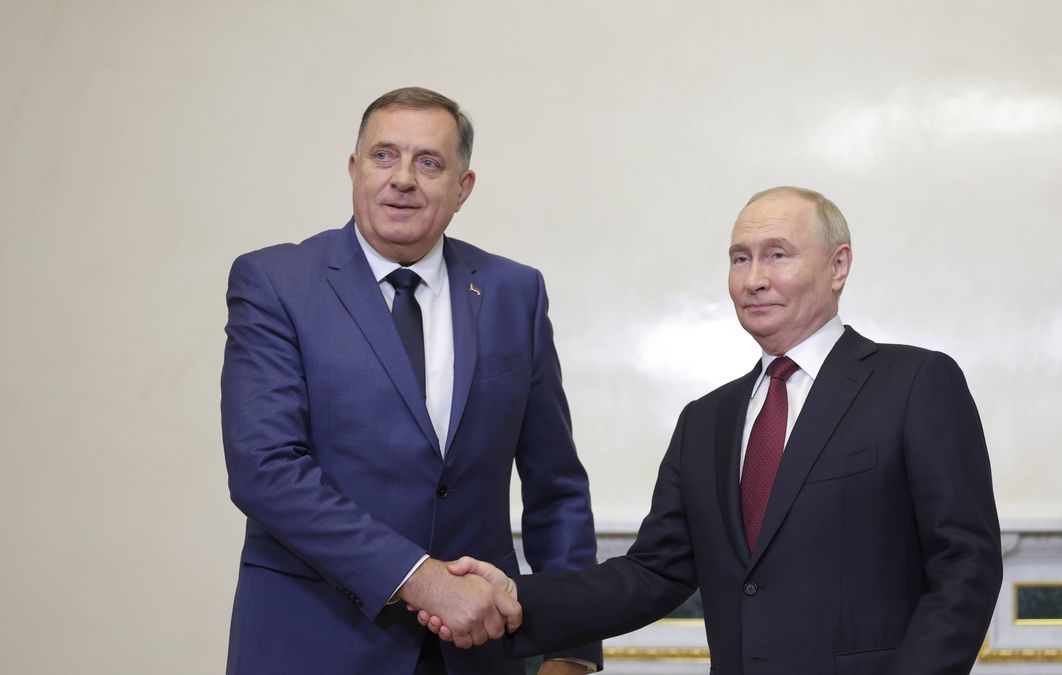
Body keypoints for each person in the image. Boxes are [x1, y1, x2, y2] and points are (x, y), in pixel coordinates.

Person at [424, 187, 1003, 674]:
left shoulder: (915, 382)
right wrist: (512, 595)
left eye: (778, 255)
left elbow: (966, 565)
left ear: (839, 266)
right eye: (740, 258)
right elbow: (651, 574)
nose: (754, 279)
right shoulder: (706, 420)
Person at [220, 86, 600, 675]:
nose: (403, 178)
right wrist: (419, 579)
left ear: (462, 188)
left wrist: (572, 651)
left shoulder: (513, 293)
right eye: (383, 156)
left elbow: (556, 486)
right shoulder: (276, 284)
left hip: (477, 655)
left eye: (429, 163)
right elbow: (265, 469)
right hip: (313, 643)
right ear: (354, 170)